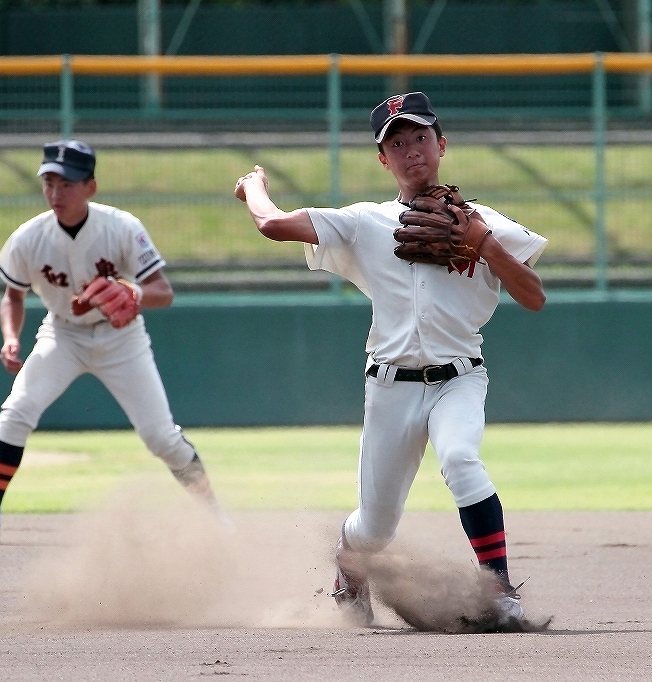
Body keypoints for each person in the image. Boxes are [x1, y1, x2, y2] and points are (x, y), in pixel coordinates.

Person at [234, 92, 548, 629]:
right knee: (374, 529)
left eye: (420, 137)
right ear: (383, 159)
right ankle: (348, 561)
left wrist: (486, 245)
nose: (410, 151)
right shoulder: (365, 223)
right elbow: (274, 226)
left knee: (461, 459)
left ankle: (499, 589)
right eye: (395, 143)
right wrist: (254, 188)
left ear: (442, 144)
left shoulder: (488, 224)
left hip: (459, 379)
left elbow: (534, 296)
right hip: (390, 387)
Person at [0, 139, 220, 545]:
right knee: (16, 411)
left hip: (122, 340)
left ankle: (213, 515)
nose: (55, 193)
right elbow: (12, 296)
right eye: (49, 182)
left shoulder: (122, 227)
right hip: (62, 333)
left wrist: (133, 294)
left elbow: (162, 291)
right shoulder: (29, 237)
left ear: (90, 187)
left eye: (67, 184)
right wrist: (11, 337)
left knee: (160, 437)